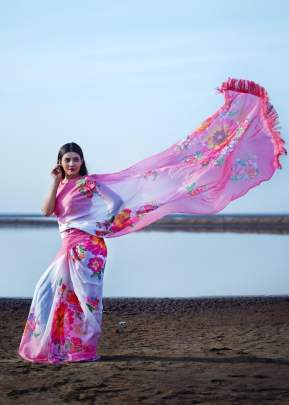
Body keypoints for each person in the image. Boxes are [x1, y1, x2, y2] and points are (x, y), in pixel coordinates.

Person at [18, 77, 287, 364]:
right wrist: (54, 182)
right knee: (48, 291)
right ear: (59, 163)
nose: (71, 163)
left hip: (88, 248)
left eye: (75, 159)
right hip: (68, 246)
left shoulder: (88, 183)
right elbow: (48, 211)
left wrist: (100, 224)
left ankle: (83, 350)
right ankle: (56, 345)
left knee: (86, 301)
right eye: (67, 160)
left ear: (82, 162)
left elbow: (116, 203)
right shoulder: (60, 185)